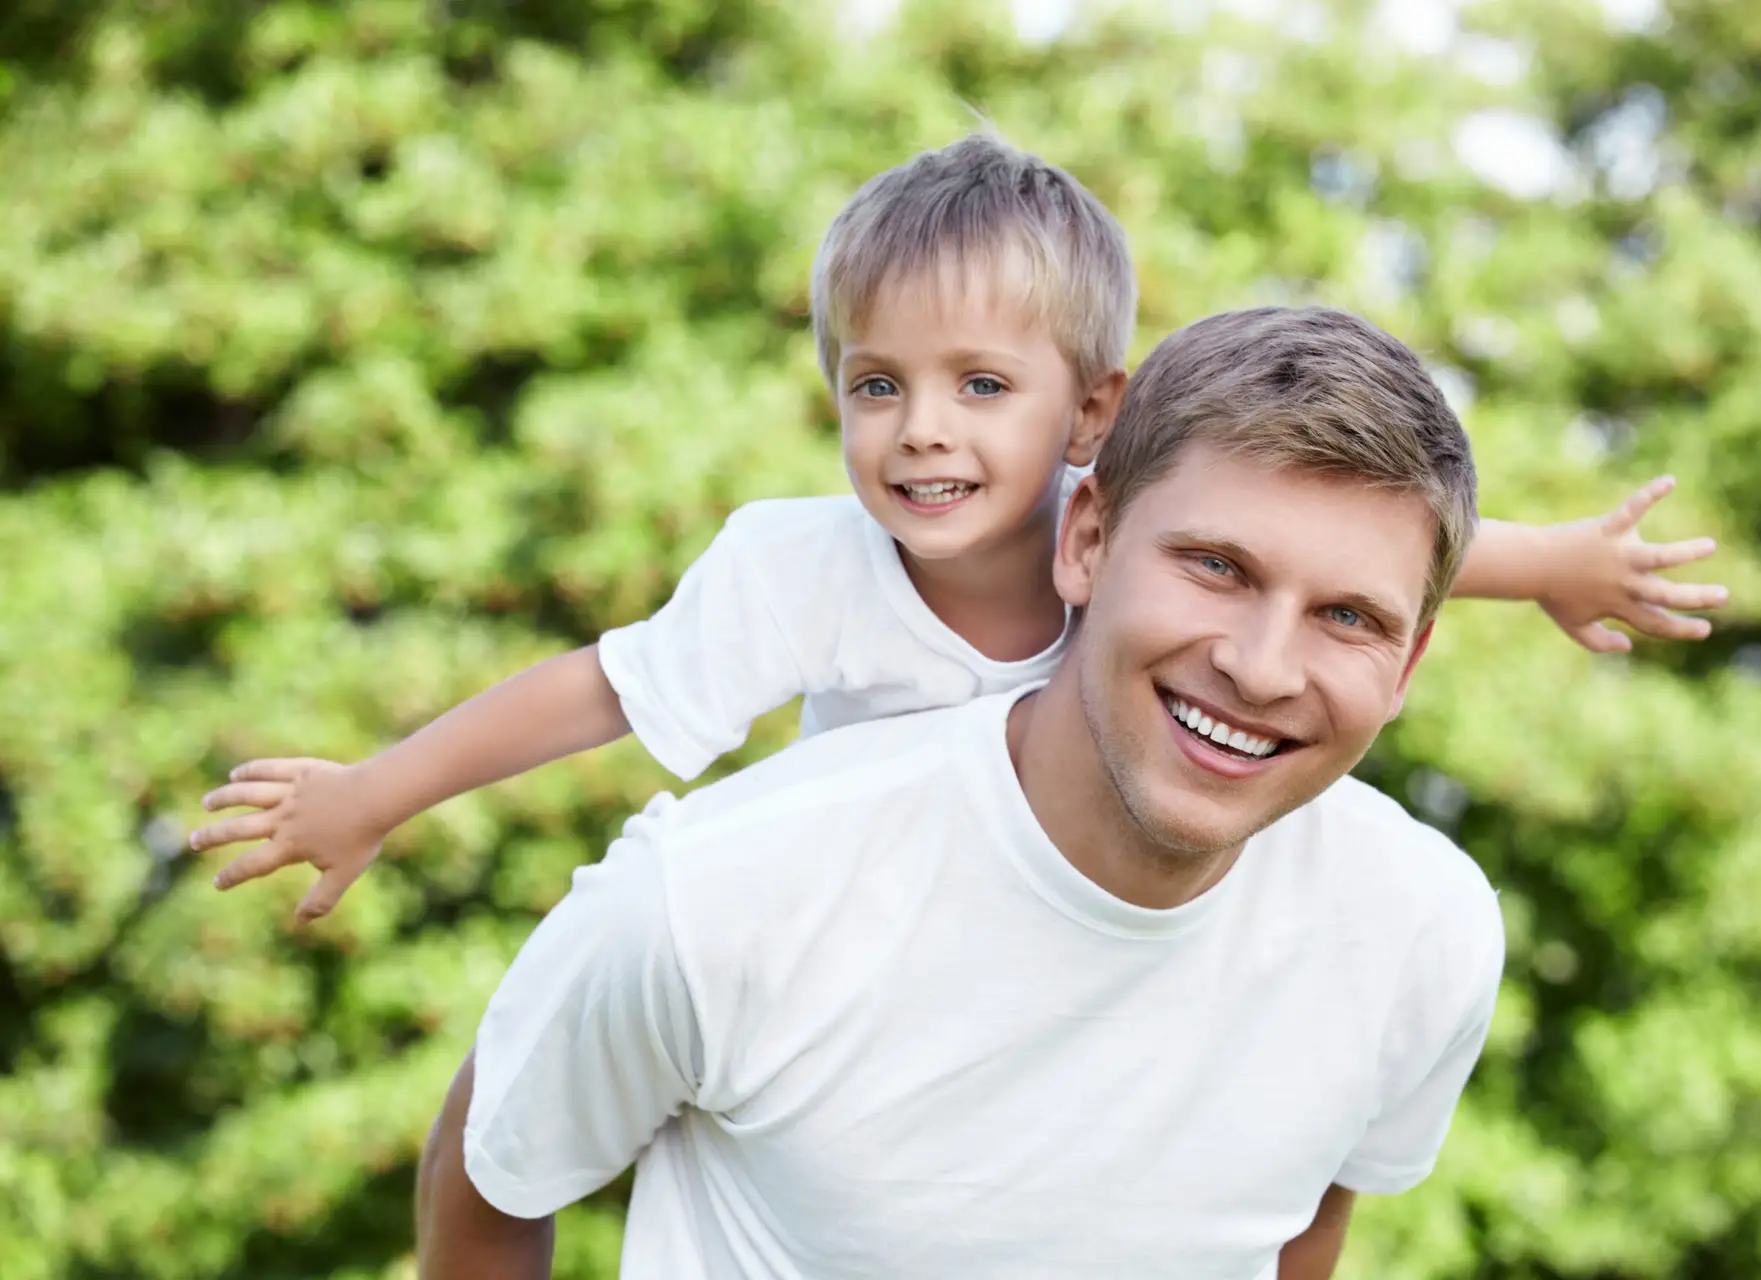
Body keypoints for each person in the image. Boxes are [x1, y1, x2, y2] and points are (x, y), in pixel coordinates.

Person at [187, 133, 1725, 928]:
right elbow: (600, 691)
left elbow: (1357, 549)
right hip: (870, 910)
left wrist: (1562, 566)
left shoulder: (1128, 543)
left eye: (981, 385)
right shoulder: (799, 565)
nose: (921, 427)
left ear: (1090, 419)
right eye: (877, 385)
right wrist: (378, 793)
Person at [417, 304, 1511, 1278]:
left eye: (1349, 618)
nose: (1264, 667)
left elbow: (1298, 1230)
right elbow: (491, 1172)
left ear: (1407, 666)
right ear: (1086, 541)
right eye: (1217, 566)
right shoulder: (711, 896)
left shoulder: (1424, 929)